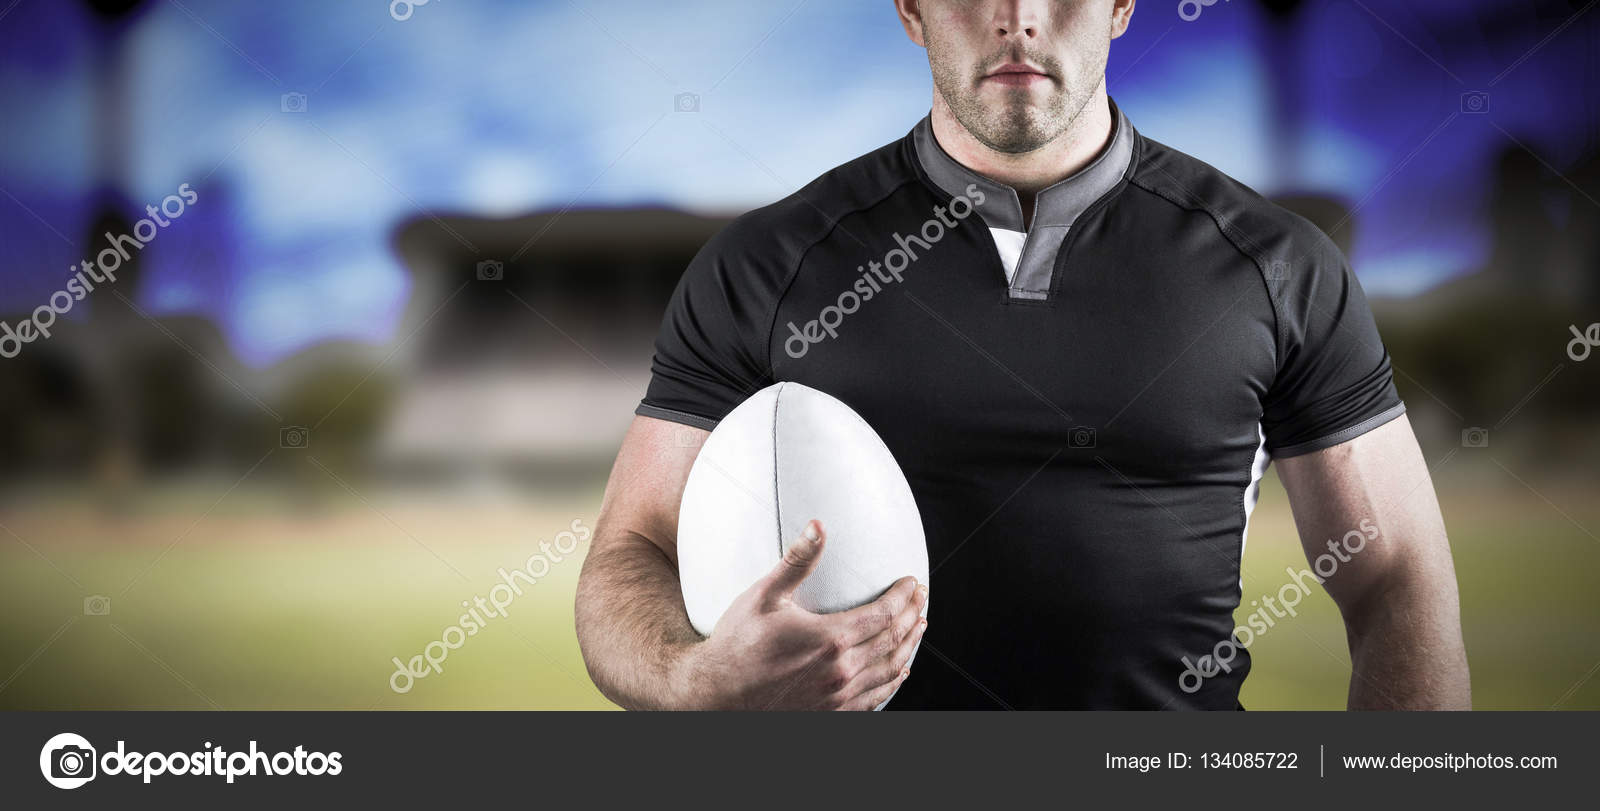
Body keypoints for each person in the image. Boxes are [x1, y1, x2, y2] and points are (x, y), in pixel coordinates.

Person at [575, 0, 1471, 710]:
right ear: (910, 8)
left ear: (1123, 4)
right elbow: (630, 551)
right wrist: (697, 681)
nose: (1020, 17)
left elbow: (1396, 579)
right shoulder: (766, 266)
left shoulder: (1279, 266)